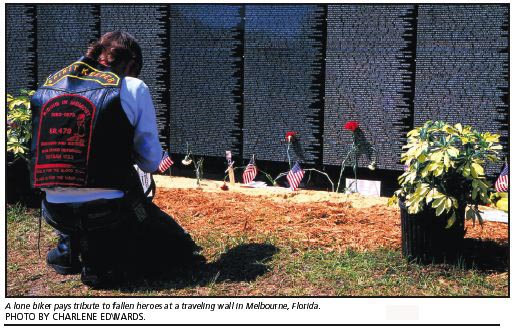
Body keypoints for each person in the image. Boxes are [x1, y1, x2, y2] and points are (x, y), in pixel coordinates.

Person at [30, 31, 202, 288]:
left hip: (54, 211)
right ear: (131, 63)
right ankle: (101, 261)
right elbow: (151, 162)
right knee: (179, 246)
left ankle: (69, 245)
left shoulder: (50, 83)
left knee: (79, 205)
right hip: (107, 213)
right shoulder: (131, 86)